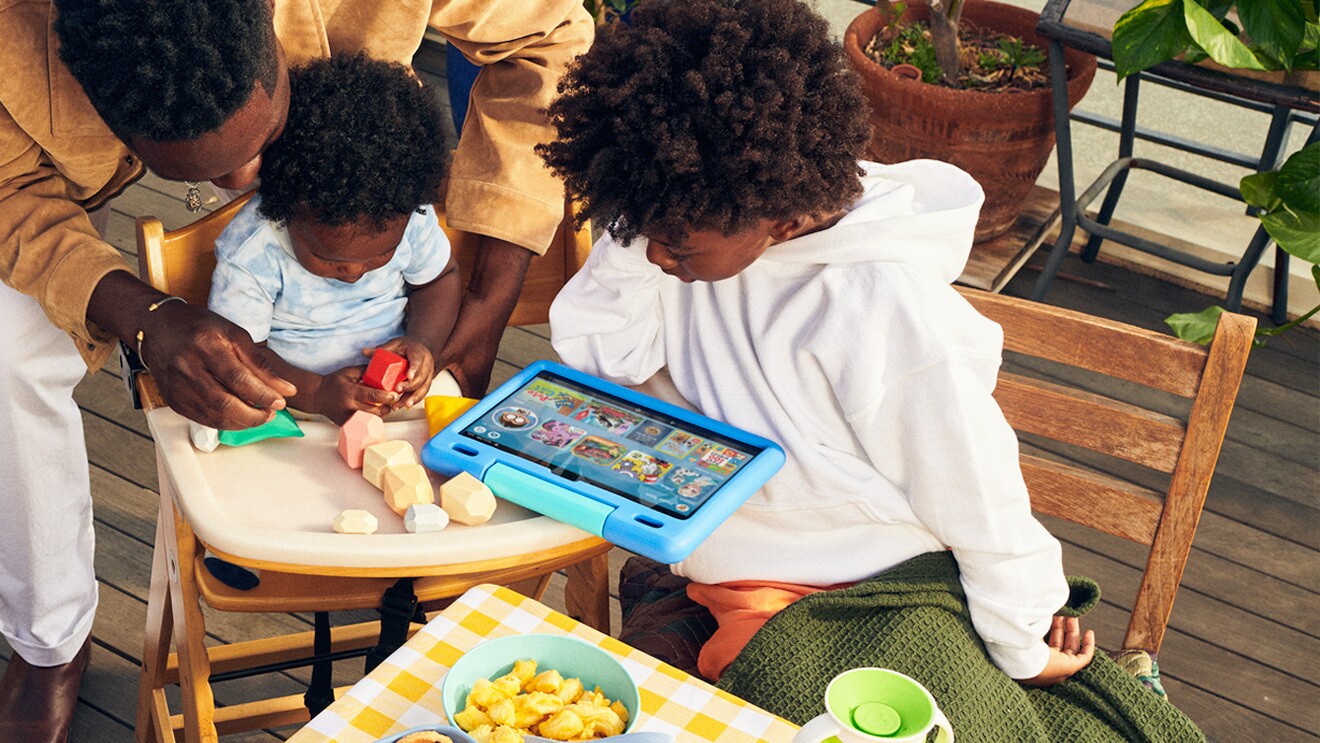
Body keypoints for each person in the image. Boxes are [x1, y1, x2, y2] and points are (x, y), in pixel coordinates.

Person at [0, 0, 590, 737]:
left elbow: (551, 40)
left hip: (360, 187)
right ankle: (47, 637)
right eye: (204, 167)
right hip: (70, 202)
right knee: (6, 351)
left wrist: (490, 292)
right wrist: (142, 314)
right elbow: (6, 191)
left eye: (260, 134)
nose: (248, 179)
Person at [541, 0, 1092, 691]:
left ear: (785, 218)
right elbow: (603, 357)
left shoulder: (882, 304)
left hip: (858, 585)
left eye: (673, 244)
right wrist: (634, 218)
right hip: (722, 563)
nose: (652, 255)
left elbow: (974, 485)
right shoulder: (689, 218)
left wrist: (1023, 638)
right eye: (636, 224)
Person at [209, 54, 459, 425]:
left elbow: (439, 279)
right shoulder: (252, 253)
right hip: (293, 407)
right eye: (326, 258)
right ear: (285, 209)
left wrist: (423, 343)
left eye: (382, 255)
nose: (354, 273)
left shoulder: (412, 215)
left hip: (397, 393)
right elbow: (242, 351)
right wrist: (315, 393)